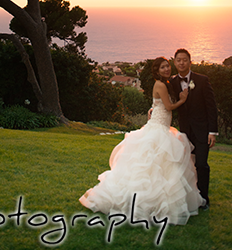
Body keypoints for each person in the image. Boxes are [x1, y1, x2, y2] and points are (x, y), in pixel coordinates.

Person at [79, 57, 205, 225]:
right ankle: (144, 202)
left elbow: (159, 104)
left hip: (162, 127)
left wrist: (154, 108)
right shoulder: (160, 84)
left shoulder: (166, 82)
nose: (167, 69)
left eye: (167, 66)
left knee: (162, 167)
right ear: (156, 71)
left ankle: (161, 200)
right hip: (158, 128)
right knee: (153, 166)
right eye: (162, 67)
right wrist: (182, 99)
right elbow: (168, 107)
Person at [169, 48, 218, 208]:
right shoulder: (172, 82)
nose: (181, 62)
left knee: (202, 165)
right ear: (175, 62)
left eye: (184, 60)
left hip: (203, 131)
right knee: (187, 166)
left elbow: (211, 107)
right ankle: (190, 197)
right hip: (184, 133)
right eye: (178, 60)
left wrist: (212, 131)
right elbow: (165, 101)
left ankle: (204, 199)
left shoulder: (202, 80)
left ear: (190, 62)